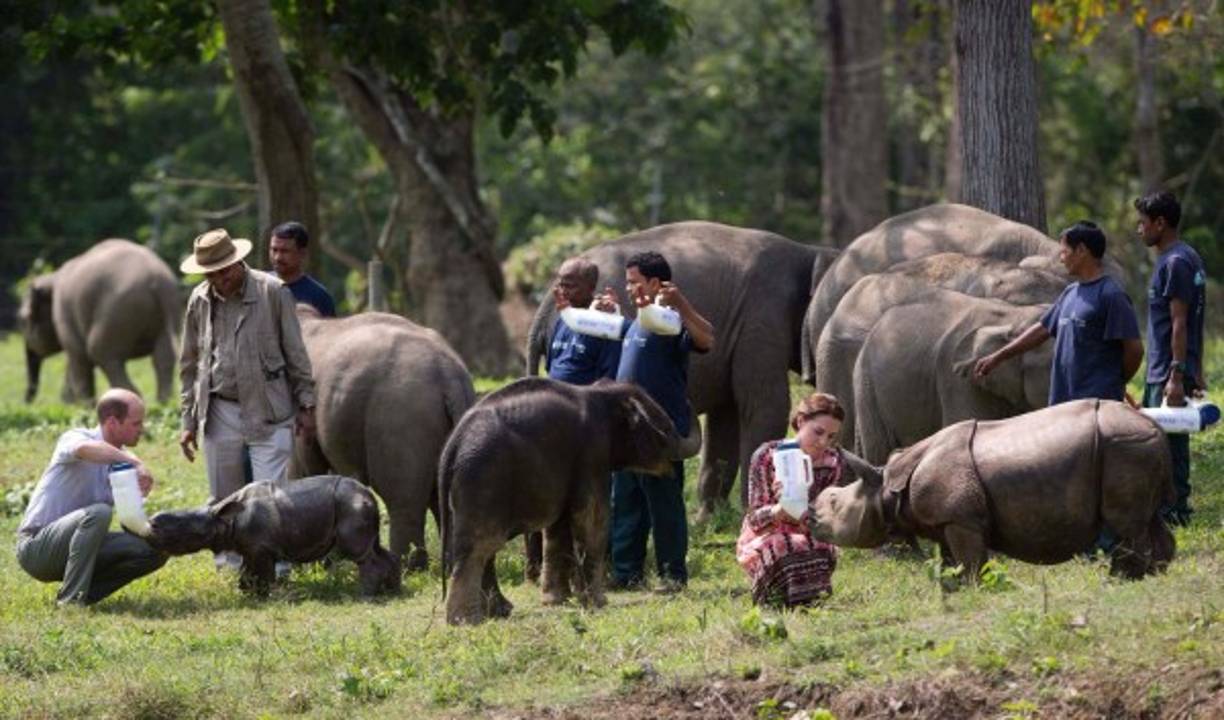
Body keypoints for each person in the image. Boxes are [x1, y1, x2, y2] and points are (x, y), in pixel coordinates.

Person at [178, 228, 317, 569]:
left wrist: (307, 403)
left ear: (238, 262)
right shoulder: (199, 299)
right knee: (224, 498)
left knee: (271, 496)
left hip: (269, 407)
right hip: (219, 407)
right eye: (211, 273)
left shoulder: (273, 292)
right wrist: (188, 420)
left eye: (224, 270)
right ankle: (230, 564)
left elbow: (296, 353)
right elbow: (189, 363)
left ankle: (277, 566)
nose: (219, 279)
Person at [595, 251, 714, 593]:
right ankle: (627, 573)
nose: (628, 287)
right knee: (626, 501)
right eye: (627, 281)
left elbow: (707, 339)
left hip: (659, 430)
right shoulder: (637, 324)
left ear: (655, 283)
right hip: (627, 430)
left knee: (664, 504)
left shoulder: (671, 322)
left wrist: (681, 304)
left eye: (633, 281)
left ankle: (672, 575)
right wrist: (612, 314)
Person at [16, 389, 167, 606]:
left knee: (155, 548)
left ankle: (85, 594)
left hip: (81, 548)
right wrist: (134, 462)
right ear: (112, 422)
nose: (142, 429)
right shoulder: (76, 438)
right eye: (136, 423)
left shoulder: (124, 462)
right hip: (37, 548)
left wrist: (158, 529)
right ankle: (71, 601)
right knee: (99, 513)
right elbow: (85, 449)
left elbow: (129, 521)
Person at [973, 220, 1143, 405]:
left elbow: (1134, 351)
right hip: (1062, 404)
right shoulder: (1071, 292)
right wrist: (999, 356)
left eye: (1065, 252)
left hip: (1095, 406)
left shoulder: (1111, 295)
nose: (1062, 259)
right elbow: (1042, 329)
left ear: (1081, 251)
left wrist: (1113, 384)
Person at [1135, 191, 1207, 526]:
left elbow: (1181, 322)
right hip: (1169, 368)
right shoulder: (1184, 257)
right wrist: (1196, 369)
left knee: (1168, 445)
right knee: (1166, 441)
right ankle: (1169, 507)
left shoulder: (1176, 262)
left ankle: (1174, 511)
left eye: (1143, 223)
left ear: (1160, 223)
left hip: (1168, 371)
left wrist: (1177, 375)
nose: (1140, 229)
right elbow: (1195, 321)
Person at [736, 393, 846, 608]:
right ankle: (772, 600)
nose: (823, 442)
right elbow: (755, 520)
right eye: (818, 432)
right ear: (801, 421)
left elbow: (829, 518)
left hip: (810, 532)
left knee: (820, 546)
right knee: (783, 545)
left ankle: (810, 602)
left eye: (831, 436)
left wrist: (806, 515)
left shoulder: (833, 462)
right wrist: (777, 510)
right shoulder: (767, 455)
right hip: (766, 535)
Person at [546, 257, 622, 384]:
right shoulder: (562, 319)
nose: (563, 292)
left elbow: (609, 376)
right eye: (561, 285)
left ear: (591, 287)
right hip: (553, 392)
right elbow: (551, 365)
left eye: (570, 286)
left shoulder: (604, 323)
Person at [269, 221, 336, 317]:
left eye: (285, 251)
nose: (277, 257)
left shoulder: (319, 297)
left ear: (302, 254)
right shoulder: (258, 286)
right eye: (274, 250)